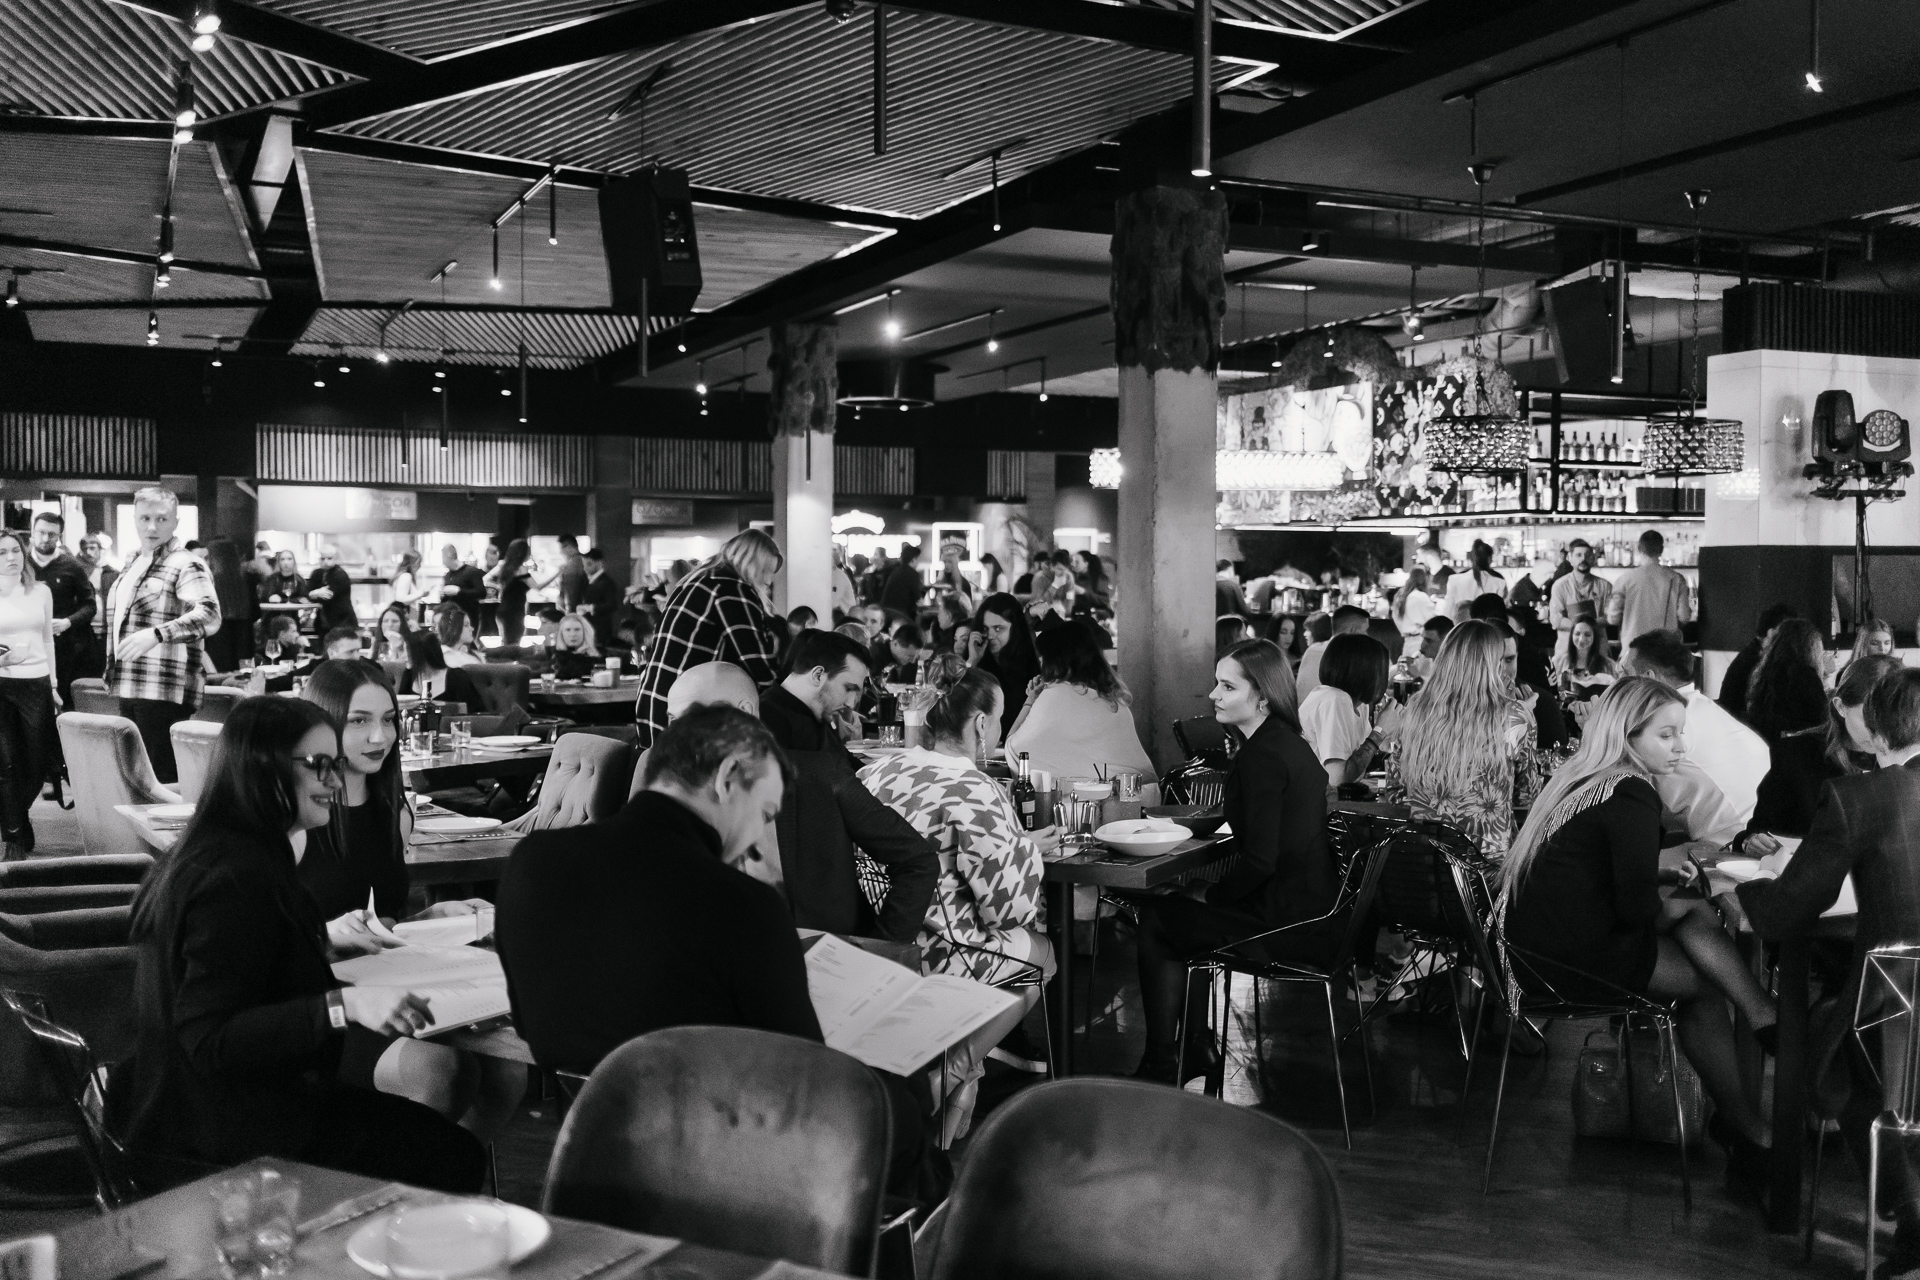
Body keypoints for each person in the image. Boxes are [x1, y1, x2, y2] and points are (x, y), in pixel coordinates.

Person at [122, 696, 486, 1190]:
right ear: (261, 768)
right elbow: (209, 1038)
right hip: (220, 1139)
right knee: (451, 1155)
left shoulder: (217, 850)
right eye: (319, 765)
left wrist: (320, 950)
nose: (336, 781)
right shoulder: (237, 876)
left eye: (336, 764)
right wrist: (343, 1005)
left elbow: (244, 965)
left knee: (438, 1143)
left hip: (203, 1110)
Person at [1499, 677, 1776, 1184]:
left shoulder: (1584, 776)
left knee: (1691, 906)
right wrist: (1676, 897)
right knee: (1703, 978)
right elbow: (1634, 912)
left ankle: (1753, 1082)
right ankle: (1751, 1113)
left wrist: (1666, 882)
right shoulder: (1631, 791)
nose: (1681, 747)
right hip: (1566, 961)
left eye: (1681, 733)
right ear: (1627, 735)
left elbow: (1595, 876)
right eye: (1666, 735)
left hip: (1526, 947)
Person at [1738, 668, 1920, 1259]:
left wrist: (1741, 891)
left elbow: (1785, 912)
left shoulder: (1859, 797)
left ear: (1878, 729)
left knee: (1829, 1045)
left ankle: (1908, 1212)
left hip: (1895, 1010)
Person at [298, 661, 518, 1142]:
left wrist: (431, 918)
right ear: (322, 725)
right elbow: (261, 936)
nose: (380, 736)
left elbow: (381, 921)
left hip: (390, 978)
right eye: (359, 721)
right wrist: (324, 933)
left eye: (388, 719)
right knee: (440, 1071)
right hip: (319, 1000)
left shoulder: (393, 811)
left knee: (507, 1074)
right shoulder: (298, 814)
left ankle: (452, 1176)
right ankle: (402, 1178)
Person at [857, 668, 1055, 1141]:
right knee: (1043, 956)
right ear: (982, 724)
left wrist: (1015, 846)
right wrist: (1026, 851)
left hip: (876, 944)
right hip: (944, 953)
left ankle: (963, 1081)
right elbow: (1007, 911)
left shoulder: (876, 770)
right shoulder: (977, 791)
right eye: (1001, 718)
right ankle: (950, 1076)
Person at [1133, 640, 1336, 1083]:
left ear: (1262, 696)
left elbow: (1260, 862)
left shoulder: (1262, 755)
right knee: (1181, 907)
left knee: (1157, 919)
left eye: (1228, 687)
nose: (1213, 695)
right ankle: (1196, 1046)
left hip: (1284, 925)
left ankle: (1163, 1062)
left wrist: (1211, 894)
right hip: (1316, 913)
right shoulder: (1286, 742)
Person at [759, 630, 939, 942]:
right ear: (818, 675)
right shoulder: (772, 724)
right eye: (849, 688)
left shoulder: (808, 717)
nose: (852, 703)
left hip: (825, 907)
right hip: (813, 918)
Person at [1389, 620, 1538, 858]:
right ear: (1491, 665)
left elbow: (1395, 790)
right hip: (1485, 866)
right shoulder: (1514, 716)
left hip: (1424, 861)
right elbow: (1527, 795)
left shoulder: (1414, 710)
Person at [104, 487, 222, 783]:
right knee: (135, 779)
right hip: (129, 682)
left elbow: (210, 614)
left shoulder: (186, 563)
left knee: (160, 780)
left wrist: (157, 634)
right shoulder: (133, 562)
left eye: (161, 519)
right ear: (134, 519)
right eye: (145, 518)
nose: (152, 527)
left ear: (175, 522)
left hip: (164, 688)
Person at [634, 530, 784, 747]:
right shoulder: (732, 589)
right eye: (766, 571)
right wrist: (788, 702)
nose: (768, 581)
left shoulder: (693, 582)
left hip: (654, 701)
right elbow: (757, 663)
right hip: (688, 711)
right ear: (749, 562)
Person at [1737, 652, 1900, 850]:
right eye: (1870, 719)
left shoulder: (1909, 760)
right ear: (1841, 707)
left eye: (1893, 718)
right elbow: (1758, 830)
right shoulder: (1798, 755)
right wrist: (1751, 841)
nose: (1882, 731)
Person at [1622, 629, 1768, 846]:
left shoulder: (1665, 720)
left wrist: (1592, 726)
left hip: (1732, 845)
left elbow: (1616, 782)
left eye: (1624, 674)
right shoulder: (1701, 707)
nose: (1618, 684)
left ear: (1648, 678)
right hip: (1762, 833)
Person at [1005, 620, 1159, 804]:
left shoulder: (1054, 696)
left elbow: (1014, 748)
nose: (1040, 662)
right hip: (1136, 802)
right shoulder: (1115, 700)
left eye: (1043, 656)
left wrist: (1031, 700)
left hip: (1081, 810)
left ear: (1056, 659)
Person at [0, 530, 59, 860]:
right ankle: (13, 837)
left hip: (37, 683)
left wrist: (54, 685)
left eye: (15, 550)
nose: (11, 557)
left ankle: (17, 816)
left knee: (37, 764)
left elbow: (48, 639)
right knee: (6, 763)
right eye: (2, 552)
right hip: (1, 682)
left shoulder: (41, 591)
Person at [1298, 632, 1397, 785]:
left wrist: (1389, 735)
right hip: (1312, 797)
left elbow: (1362, 760)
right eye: (1383, 671)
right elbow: (1338, 780)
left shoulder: (1359, 705)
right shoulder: (1334, 699)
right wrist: (1380, 730)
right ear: (1367, 673)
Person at [26, 511, 94, 705]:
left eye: (51, 534)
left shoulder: (72, 566)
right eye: (41, 532)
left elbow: (89, 605)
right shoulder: (22, 564)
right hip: (28, 645)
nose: (45, 538)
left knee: (62, 702)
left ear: (59, 536)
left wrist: (68, 622)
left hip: (63, 647)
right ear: (32, 532)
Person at [1745, 616, 1831, 743]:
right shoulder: (1804, 675)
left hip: (1766, 743)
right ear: (1810, 648)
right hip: (1798, 745)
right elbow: (1822, 718)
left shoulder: (1765, 672)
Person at [967, 592, 1040, 734]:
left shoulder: (1029, 665)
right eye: (985, 629)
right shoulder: (981, 663)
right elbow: (957, 703)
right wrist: (972, 661)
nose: (990, 636)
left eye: (998, 629)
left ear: (1015, 629)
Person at [1606, 530, 1692, 647]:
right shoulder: (1676, 579)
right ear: (1661, 550)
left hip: (1633, 646)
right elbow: (1684, 616)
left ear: (1639, 549)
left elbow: (1613, 619)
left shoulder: (1624, 580)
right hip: (1665, 646)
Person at [1718, 603, 1797, 723]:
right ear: (1771, 633)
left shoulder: (1753, 652)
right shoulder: (1756, 661)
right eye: (1787, 633)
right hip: (1739, 725)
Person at [1547, 538, 1611, 659]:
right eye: (1578, 555)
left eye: (1587, 555)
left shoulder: (1605, 586)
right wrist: (1582, 627)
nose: (1583, 559)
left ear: (1593, 559)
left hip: (1598, 652)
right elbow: (1555, 619)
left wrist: (1589, 625)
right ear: (1570, 558)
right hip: (1566, 653)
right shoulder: (1560, 585)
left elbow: (1610, 617)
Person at [1295, 604, 1369, 698]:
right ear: (1353, 631)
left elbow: (1301, 693)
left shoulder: (1313, 650)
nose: (1367, 635)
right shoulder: (1352, 658)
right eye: (1365, 630)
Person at [399, 632, 482, 706]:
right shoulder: (409, 676)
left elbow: (473, 711)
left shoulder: (456, 677)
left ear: (421, 653)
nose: (403, 656)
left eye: (407, 651)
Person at [76, 533, 116, 681]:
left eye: (92, 548)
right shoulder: (76, 572)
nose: (88, 552)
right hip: (84, 630)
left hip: (107, 629)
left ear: (100, 549)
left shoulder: (111, 573)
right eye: (84, 548)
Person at [1442, 540, 1506, 622]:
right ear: (1490, 559)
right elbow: (1500, 614)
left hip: (1461, 625)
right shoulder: (1499, 582)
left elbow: (1448, 611)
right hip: (1486, 626)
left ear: (1471, 558)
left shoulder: (1454, 580)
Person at [1551, 616, 1618, 690]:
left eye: (1587, 634)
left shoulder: (1609, 665)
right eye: (1577, 634)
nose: (1581, 639)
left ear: (1595, 636)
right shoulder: (1558, 662)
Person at [578, 548, 624, 650]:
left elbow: (612, 605)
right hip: (588, 626)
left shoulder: (607, 582)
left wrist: (590, 608)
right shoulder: (586, 581)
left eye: (589, 564)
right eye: (584, 564)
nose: (585, 568)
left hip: (601, 628)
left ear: (599, 563)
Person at [306, 546, 357, 636]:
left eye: (329, 558)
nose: (325, 561)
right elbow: (307, 592)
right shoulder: (317, 573)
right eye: (322, 558)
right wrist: (314, 593)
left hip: (342, 621)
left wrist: (314, 594)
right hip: (323, 623)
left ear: (335, 558)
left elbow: (328, 596)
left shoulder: (340, 574)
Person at [436, 544, 486, 633]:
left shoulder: (472, 572)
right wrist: (442, 595)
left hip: (469, 617)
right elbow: (446, 601)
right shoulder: (448, 576)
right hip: (452, 619)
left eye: (443, 558)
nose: (443, 562)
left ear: (450, 556)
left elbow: (481, 593)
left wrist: (459, 591)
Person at [496, 539, 534, 645]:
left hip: (503, 609)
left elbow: (486, 579)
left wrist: (497, 587)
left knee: (506, 641)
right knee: (514, 642)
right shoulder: (521, 569)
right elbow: (537, 586)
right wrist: (557, 573)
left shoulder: (504, 567)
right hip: (515, 611)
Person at [1391, 564, 1437, 639]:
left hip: (1407, 640)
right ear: (1425, 578)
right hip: (1420, 639)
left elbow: (1395, 616)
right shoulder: (1420, 596)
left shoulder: (1400, 596)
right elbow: (1434, 621)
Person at [549, 613, 599, 680]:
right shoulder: (556, 658)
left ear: (585, 632)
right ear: (561, 633)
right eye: (568, 630)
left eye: (577, 629)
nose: (573, 634)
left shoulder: (598, 657)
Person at [881, 542, 925, 618]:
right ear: (913, 559)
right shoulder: (912, 574)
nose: (918, 562)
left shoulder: (896, 571)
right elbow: (917, 599)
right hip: (901, 615)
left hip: (887, 613)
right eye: (918, 559)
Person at [389, 550, 425, 616]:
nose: (419, 566)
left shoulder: (403, 575)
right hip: (405, 616)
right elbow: (400, 599)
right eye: (418, 563)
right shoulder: (406, 576)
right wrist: (421, 593)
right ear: (411, 563)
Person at [478, 542, 502, 637]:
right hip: (482, 610)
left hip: (497, 610)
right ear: (485, 556)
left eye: (495, 555)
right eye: (490, 555)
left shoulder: (502, 574)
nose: (492, 558)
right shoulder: (479, 573)